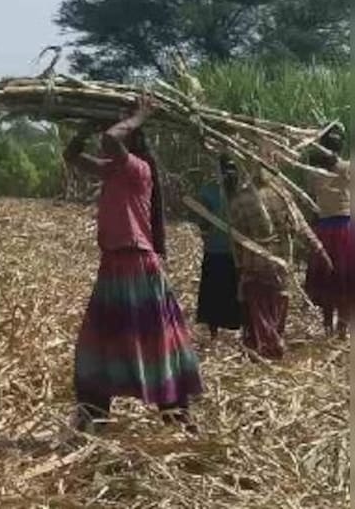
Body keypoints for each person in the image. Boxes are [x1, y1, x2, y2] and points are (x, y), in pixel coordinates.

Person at [62, 98, 203, 432]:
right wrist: (86, 124)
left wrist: (140, 115)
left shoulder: (139, 169)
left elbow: (111, 140)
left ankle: (177, 416)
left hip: (137, 265)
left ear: (133, 141)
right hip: (114, 266)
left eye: (126, 132)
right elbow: (71, 156)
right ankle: (93, 416)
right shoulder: (113, 170)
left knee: (155, 342)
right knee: (97, 344)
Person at [229, 160, 331, 359]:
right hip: (282, 264)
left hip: (255, 266)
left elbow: (237, 239)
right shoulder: (283, 195)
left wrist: (240, 263)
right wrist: (320, 250)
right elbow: (302, 228)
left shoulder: (239, 200)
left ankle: (270, 348)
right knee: (277, 311)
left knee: (260, 314)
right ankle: (271, 348)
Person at [303, 126, 352, 337]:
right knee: (343, 278)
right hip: (343, 229)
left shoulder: (314, 172)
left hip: (325, 228)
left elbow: (311, 194)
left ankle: (330, 326)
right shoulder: (345, 167)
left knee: (329, 277)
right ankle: (340, 325)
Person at [193, 156, 242, 339]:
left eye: (233, 169)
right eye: (226, 170)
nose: (230, 174)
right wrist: (207, 228)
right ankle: (214, 332)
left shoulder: (243, 192)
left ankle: (240, 329)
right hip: (216, 250)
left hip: (238, 252)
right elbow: (202, 221)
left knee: (237, 292)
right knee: (214, 291)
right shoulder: (209, 190)